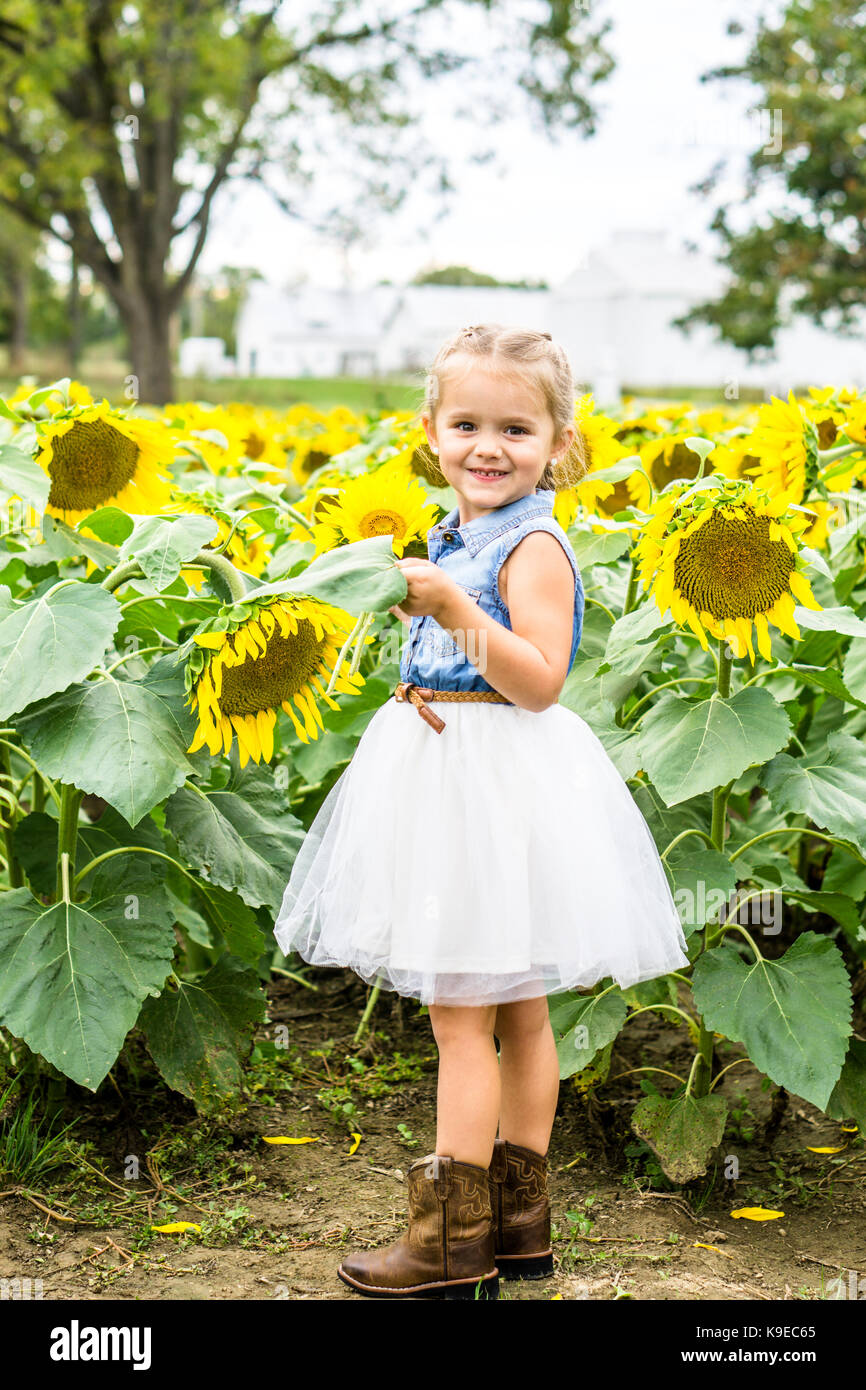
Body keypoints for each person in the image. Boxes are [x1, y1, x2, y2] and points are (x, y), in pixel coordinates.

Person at [273, 323, 691, 1300]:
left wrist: (457, 614)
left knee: (463, 1019)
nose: (487, 446)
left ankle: (447, 1244)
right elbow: (462, 656)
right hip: (453, 772)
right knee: (513, 1011)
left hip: (497, 788)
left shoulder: (532, 544)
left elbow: (540, 681)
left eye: (514, 426)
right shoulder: (452, 534)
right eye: (466, 423)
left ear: (557, 442)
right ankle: (515, 1228)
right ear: (430, 430)